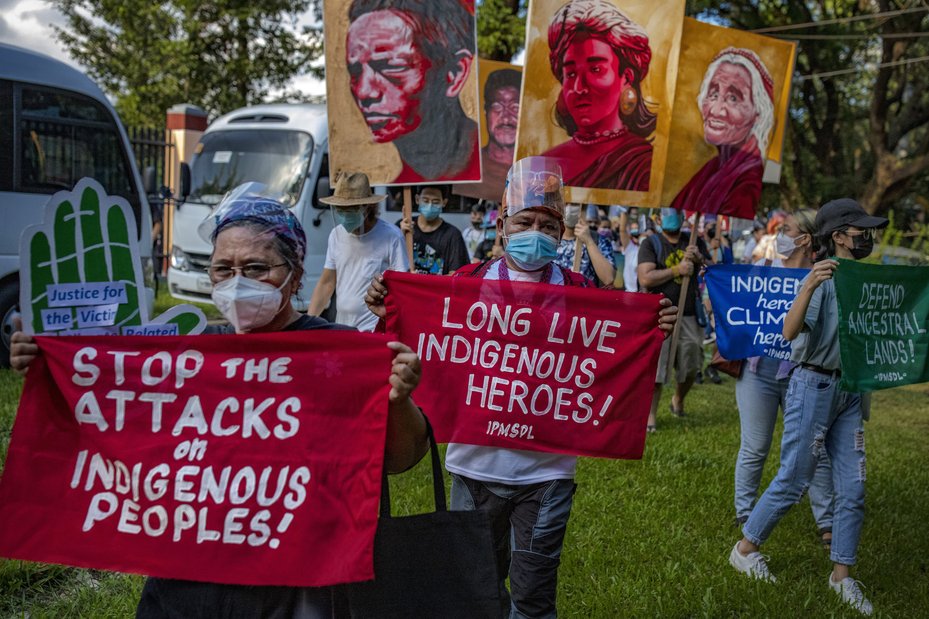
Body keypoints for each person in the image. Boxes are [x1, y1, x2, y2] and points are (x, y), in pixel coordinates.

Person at [11, 187, 430, 618]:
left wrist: (399, 399)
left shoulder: (340, 354)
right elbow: (117, 429)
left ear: (295, 272)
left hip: (296, 586)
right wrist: (52, 371)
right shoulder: (190, 358)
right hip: (188, 579)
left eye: (256, 268)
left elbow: (402, 458)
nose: (237, 283)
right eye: (222, 269)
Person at [364, 156, 680, 617]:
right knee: (476, 590)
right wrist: (387, 308)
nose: (537, 231)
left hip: (546, 476)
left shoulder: (579, 291)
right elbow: (415, 339)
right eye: (525, 220)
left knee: (533, 599)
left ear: (561, 231)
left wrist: (653, 324)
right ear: (503, 225)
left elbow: (615, 341)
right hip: (474, 470)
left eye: (548, 224)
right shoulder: (464, 285)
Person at [729, 198, 888, 616]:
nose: (866, 239)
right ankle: (746, 548)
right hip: (812, 386)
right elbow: (789, 330)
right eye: (860, 233)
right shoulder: (824, 279)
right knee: (795, 476)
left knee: (853, 487)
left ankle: (842, 576)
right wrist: (809, 285)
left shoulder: (859, 281)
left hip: (848, 391)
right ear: (838, 237)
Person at [732, 209, 835, 545]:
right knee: (755, 447)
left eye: (787, 229)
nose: (780, 234)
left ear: (804, 239)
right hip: (758, 373)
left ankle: (828, 523)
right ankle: (745, 513)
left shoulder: (822, 280)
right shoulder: (762, 271)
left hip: (801, 376)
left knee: (813, 449)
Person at [346, 0, 480, 183]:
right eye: (354, 72)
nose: (364, 91)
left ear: (454, 74)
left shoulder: (496, 167)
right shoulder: (396, 184)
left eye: (389, 67)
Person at [541, 0, 656, 191]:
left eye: (595, 69)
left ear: (626, 77)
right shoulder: (542, 164)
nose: (579, 87)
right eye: (570, 74)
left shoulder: (643, 166)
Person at [671, 47, 775, 217]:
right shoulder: (713, 167)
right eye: (713, 94)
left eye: (733, 98)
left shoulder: (748, 180)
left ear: (757, 113)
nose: (716, 110)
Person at [638, 207, 709, 432]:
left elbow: (712, 270)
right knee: (656, 370)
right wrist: (678, 269)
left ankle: (678, 398)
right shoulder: (651, 244)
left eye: (675, 212)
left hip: (688, 314)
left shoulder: (693, 241)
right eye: (666, 214)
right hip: (659, 315)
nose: (671, 217)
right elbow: (646, 278)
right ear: (657, 219)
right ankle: (650, 416)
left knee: (690, 366)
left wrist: (700, 259)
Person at [309, 172, 409, 331]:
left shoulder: (392, 236)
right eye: (340, 210)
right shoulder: (336, 235)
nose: (344, 216)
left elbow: (402, 285)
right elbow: (327, 283)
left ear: (367, 208)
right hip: (343, 326)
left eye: (350, 210)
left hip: (374, 328)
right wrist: (308, 323)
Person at [454, 68, 522, 201]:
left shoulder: (534, 173)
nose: (506, 118)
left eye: (515, 107)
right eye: (497, 107)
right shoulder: (466, 166)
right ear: (485, 111)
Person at [398, 185, 471, 274]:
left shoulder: (453, 235)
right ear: (417, 199)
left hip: (436, 287)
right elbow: (390, 263)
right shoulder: (404, 226)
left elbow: (456, 275)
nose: (430, 205)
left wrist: (422, 280)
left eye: (435, 202)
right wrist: (400, 236)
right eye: (425, 201)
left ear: (444, 202)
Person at [553, 210, 615, 286]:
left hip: (585, 297)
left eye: (574, 204)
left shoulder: (599, 239)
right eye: (567, 203)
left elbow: (608, 279)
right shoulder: (548, 237)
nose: (570, 208)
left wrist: (589, 241)